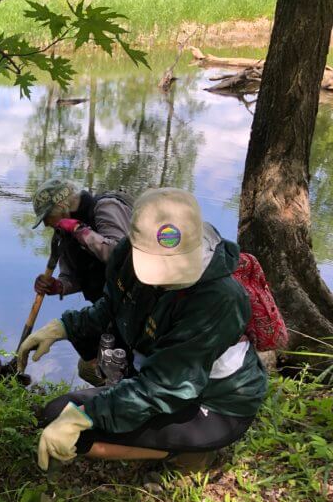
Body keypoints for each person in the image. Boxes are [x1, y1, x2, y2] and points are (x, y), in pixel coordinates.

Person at [19, 188, 267, 471]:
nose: (162, 280)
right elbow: (113, 305)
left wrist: (87, 417)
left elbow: (165, 386)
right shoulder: (125, 254)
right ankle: (144, 426)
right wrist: (63, 327)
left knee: (81, 433)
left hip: (215, 402)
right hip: (160, 374)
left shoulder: (219, 298)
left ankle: (187, 455)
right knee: (55, 413)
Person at [31, 180, 133, 304]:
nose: (46, 224)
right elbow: (73, 277)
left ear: (61, 206)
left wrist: (80, 231)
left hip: (133, 302)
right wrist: (58, 286)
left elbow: (121, 256)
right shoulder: (65, 230)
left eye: (46, 217)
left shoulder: (106, 207)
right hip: (105, 307)